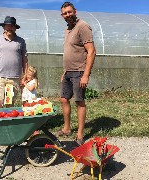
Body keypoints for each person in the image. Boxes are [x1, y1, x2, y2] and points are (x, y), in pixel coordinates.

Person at [58, 2, 96, 145]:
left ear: (75, 11)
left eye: (69, 12)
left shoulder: (83, 26)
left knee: (79, 101)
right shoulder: (68, 29)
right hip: (68, 72)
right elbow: (70, 52)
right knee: (63, 99)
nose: (67, 15)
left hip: (79, 71)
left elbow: (91, 51)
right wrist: (64, 71)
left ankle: (80, 134)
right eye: (65, 13)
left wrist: (86, 75)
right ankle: (67, 128)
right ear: (62, 16)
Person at [0, 16, 28, 109]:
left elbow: (24, 59)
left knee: (9, 104)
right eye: (7, 26)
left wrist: (25, 74)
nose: (10, 28)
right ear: (4, 27)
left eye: (12, 26)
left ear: (15, 28)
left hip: (13, 79)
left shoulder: (21, 41)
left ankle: (8, 122)